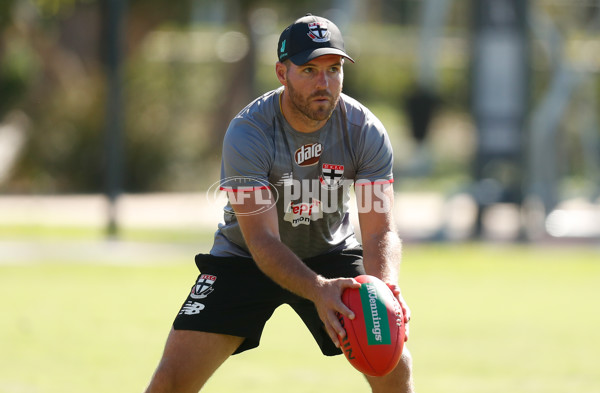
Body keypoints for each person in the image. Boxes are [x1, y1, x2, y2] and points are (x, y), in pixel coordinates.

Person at [144, 13, 414, 393]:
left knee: (393, 364)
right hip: (247, 258)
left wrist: (385, 289)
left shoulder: (364, 131)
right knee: (171, 381)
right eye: (309, 70)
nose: (324, 83)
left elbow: (380, 230)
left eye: (334, 69)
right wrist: (318, 290)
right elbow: (262, 242)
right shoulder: (249, 133)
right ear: (281, 73)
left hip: (330, 253)